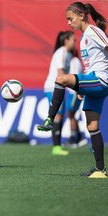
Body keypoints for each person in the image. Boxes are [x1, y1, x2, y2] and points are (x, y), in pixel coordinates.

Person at [37, 2, 108, 178]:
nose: (69, 23)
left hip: (101, 80)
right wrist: (81, 87)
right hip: (94, 82)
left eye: (71, 18)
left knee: (61, 79)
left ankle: (50, 119)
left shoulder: (93, 31)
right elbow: (91, 64)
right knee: (92, 125)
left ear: (82, 15)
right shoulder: (84, 37)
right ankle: (101, 170)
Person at [43, 30, 75, 156]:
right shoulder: (62, 52)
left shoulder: (67, 54)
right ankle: (56, 147)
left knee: (60, 115)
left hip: (59, 87)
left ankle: (58, 145)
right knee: (58, 116)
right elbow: (60, 73)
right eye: (73, 40)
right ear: (66, 40)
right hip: (53, 87)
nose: (75, 42)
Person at [64, 48, 87, 148]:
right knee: (71, 114)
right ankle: (79, 137)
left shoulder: (74, 61)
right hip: (73, 92)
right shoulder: (74, 61)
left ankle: (74, 138)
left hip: (74, 92)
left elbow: (75, 77)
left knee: (71, 114)